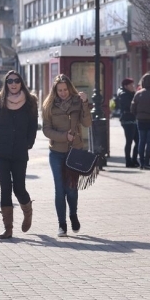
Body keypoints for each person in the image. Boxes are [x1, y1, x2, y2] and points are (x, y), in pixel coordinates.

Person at [0, 71, 38, 240]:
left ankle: (27, 211)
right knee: (5, 188)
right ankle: (8, 228)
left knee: (19, 188)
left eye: (16, 81)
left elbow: (33, 126)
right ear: (6, 84)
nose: (13, 84)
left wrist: (29, 143)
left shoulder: (30, 103)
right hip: (0, 153)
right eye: (10, 81)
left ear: (21, 83)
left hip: (19, 152)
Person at [41, 74, 92, 237]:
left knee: (71, 188)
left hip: (74, 151)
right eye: (59, 90)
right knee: (59, 189)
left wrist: (85, 104)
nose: (63, 93)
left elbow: (87, 123)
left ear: (70, 88)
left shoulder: (78, 102)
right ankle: (62, 224)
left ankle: (73, 215)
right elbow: (46, 130)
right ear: (55, 90)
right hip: (56, 152)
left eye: (65, 89)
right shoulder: (48, 105)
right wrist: (64, 136)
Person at [116, 77, 140, 167]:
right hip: (127, 120)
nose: (133, 86)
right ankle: (128, 161)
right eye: (131, 85)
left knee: (138, 140)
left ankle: (134, 160)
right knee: (129, 141)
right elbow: (130, 106)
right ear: (126, 86)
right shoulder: (124, 95)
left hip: (132, 119)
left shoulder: (130, 93)